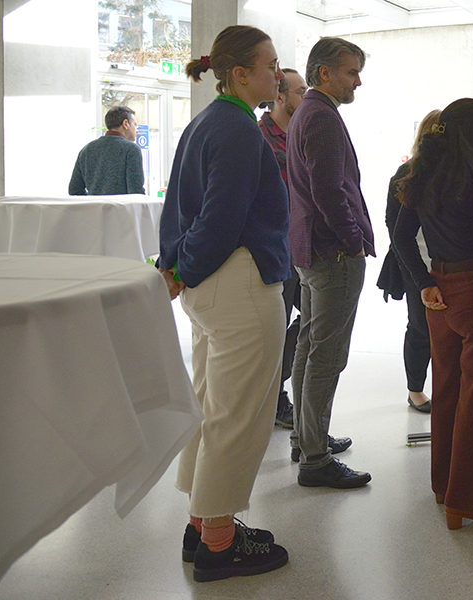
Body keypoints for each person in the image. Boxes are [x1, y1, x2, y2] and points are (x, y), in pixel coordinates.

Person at [156, 24, 289, 582]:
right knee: (238, 417)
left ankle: (203, 524)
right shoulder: (237, 128)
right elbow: (220, 217)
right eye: (270, 65)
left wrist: (175, 265)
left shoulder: (208, 122)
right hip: (238, 283)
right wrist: (183, 265)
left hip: (212, 288)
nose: (278, 75)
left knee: (214, 407)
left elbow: (177, 207)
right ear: (240, 74)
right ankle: (218, 544)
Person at [393, 98, 473, 530]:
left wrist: (424, 282)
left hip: (440, 295)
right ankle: (472, 500)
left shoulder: (420, 174)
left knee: (446, 391)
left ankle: (444, 485)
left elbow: (401, 237)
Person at [285, 36, 375, 489]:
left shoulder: (308, 112)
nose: (357, 80)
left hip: (310, 250)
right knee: (326, 355)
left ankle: (307, 438)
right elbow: (328, 191)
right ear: (325, 73)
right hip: (332, 253)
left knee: (309, 344)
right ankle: (315, 459)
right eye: (351, 72)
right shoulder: (320, 116)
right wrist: (354, 240)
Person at [380, 109, 442, 414]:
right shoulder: (405, 174)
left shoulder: (456, 173)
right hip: (416, 263)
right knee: (420, 328)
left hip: (448, 264)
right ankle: (415, 389)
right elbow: (394, 225)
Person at [258, 67, 309, 429]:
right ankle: (274, 398)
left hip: (305, 249)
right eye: (300, 91)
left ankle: (279, 388)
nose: (306, 97)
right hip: (275, 250)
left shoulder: (303, 135)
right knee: (276, 326)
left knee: (313, 319)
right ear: (281, 96)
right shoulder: (259, 138)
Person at [68, 105, 145, 196]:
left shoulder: (86, 150)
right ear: (125, 124)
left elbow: (74, 190)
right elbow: (136, 194)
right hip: (121, 210)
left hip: (95, 209)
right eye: (135, 125)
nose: (137, 131)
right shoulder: (131, 150)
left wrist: (95, 201)